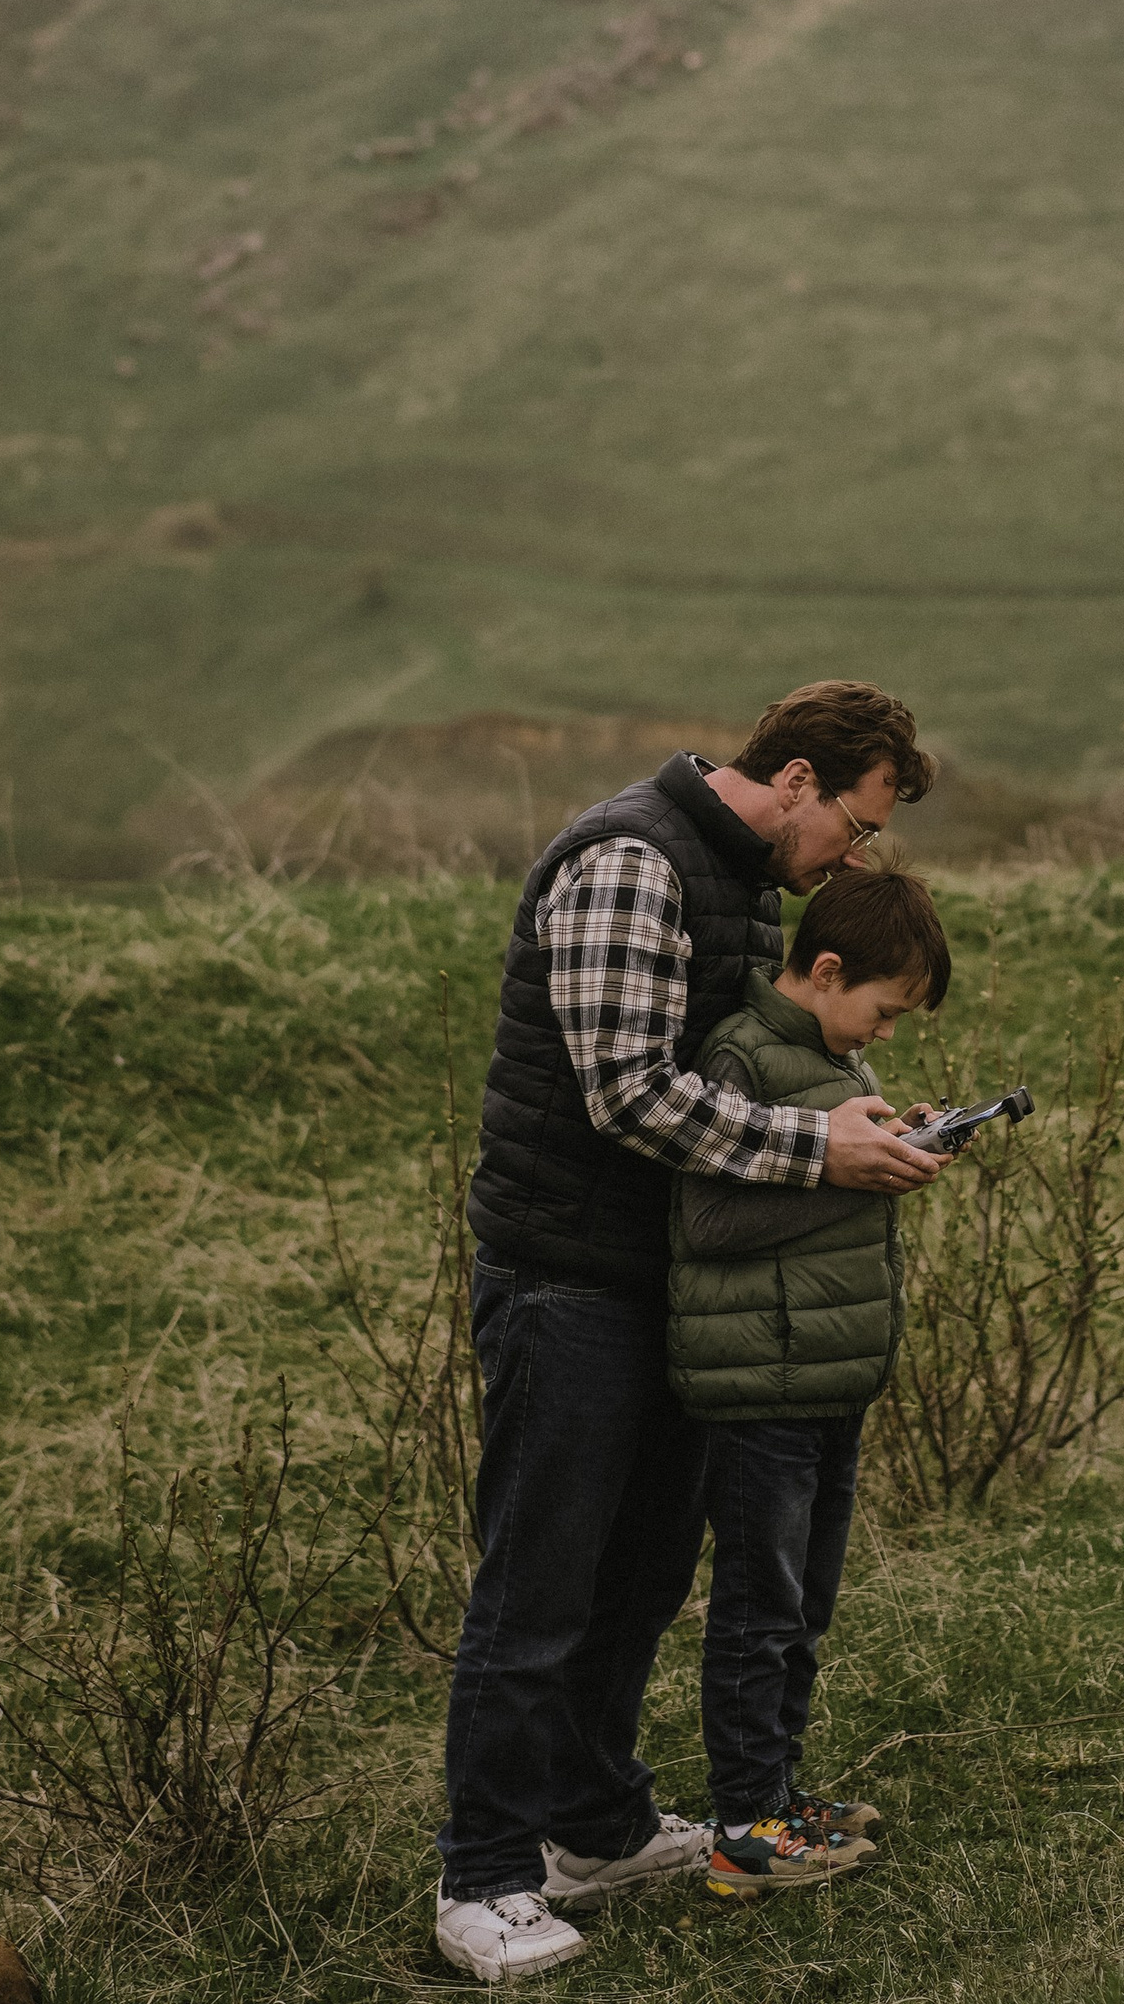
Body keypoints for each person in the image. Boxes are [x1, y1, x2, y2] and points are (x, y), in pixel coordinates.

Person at [435, 681, 946, 1989]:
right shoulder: (629, 860)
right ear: (795, 780)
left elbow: (739, 1063)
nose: (854, 857)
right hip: (566, 1278)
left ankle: (595, 1829)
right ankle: (485, 1873)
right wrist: (818, 1150)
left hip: (663, 1282)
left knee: (641, 1576)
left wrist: (859, 1112)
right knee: (539, 1588)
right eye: (856, 825)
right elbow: (628, 1093)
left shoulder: (743, 885)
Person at [662, 862, 955, 1884]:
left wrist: (893, 1139)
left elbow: (832, 1167)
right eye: (881, 1011)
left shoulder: (838, 1064)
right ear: (825, 970)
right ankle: (743, 1822)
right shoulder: (740, 1055)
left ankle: (778, 1794)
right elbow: (709, 1217)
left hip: (828, 1378)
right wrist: (859, 1176)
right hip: (761, 1386)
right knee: (760, 1603)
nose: (881, 1034)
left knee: (806, 1600)